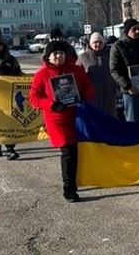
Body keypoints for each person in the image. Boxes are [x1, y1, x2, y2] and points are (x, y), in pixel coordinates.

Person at [29, 41, 94, 202]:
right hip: (56, 118)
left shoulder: (76, 70)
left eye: (62, 53)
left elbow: (89, 88)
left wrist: (84, 97)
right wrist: (50, 104)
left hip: (77, 116)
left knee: (78, 150)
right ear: (48, 57)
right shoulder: (41, 75)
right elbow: (33, 98)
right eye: (55, 54)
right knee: (68, 150)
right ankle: (69, 188)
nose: (59, 56)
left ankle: (78, 179)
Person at [110, 19, 139, 122]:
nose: (137, 31)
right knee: (132, 123)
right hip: (131, 92)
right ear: (127, 31)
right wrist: (127, 86)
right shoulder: (118, 47)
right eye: (134, 29)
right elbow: (114, 70)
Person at [77, 32, 118, 115]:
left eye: (100, 42)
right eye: (95, 42)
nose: (98, 44)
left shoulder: (110, 55)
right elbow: (77, 74)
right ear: (90, 44)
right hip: (91, 94)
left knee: (109, 117)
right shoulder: (84, 57)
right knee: (94, 117)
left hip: (109, 92)